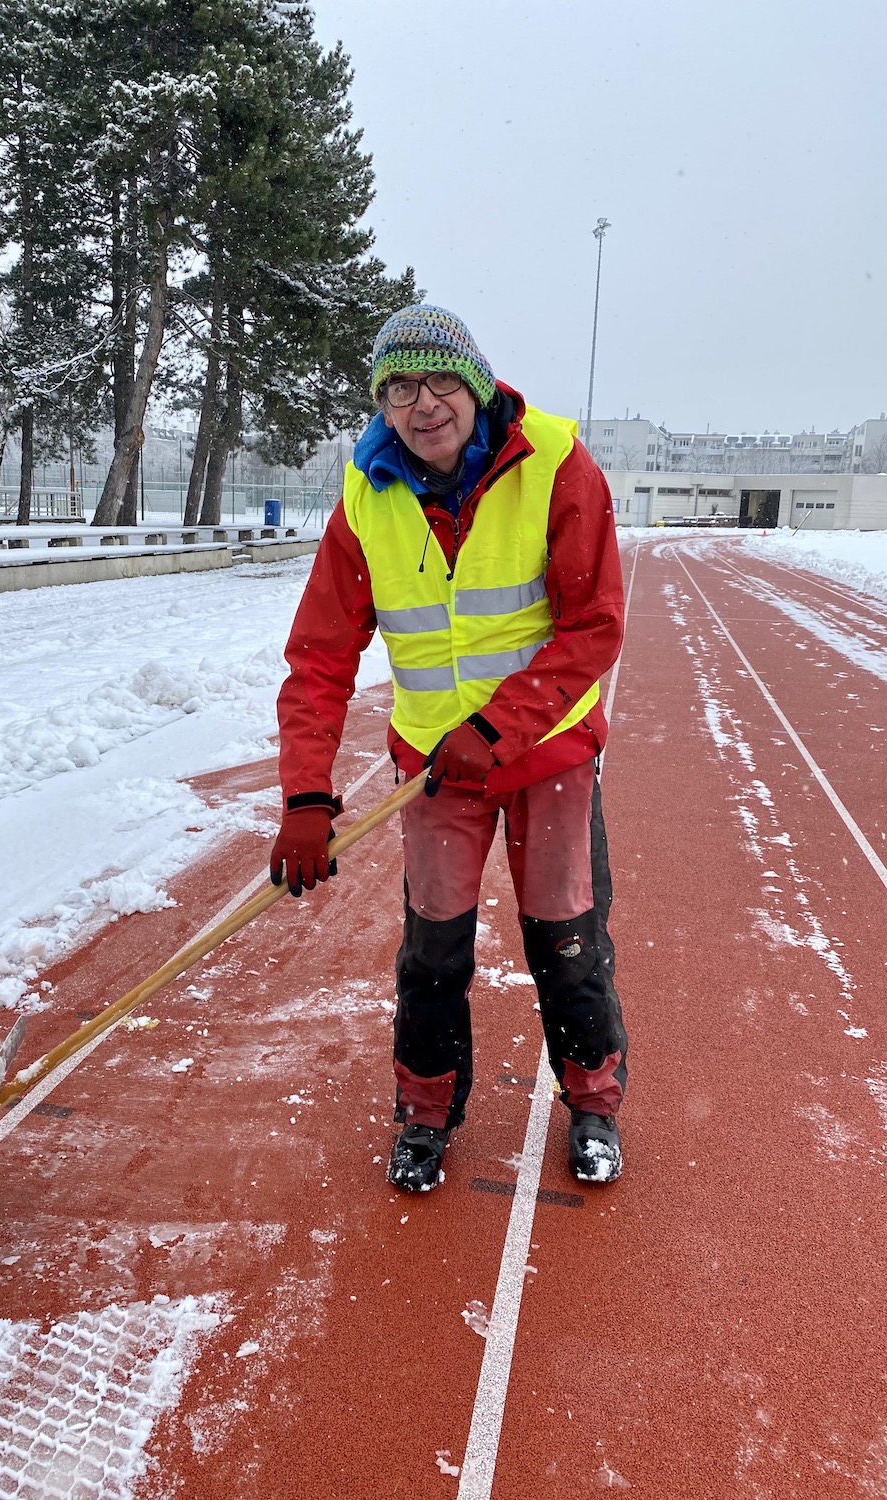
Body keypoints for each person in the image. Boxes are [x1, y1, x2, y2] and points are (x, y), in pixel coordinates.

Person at [270, 304, 628, 1193]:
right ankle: (425, 1114)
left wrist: (498, 729)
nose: (420, 404)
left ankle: (592, 1102)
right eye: (397, 388)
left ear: (471, 384)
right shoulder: (365, 496)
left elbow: (592, 625)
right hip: (435, 772)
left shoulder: (555, 465)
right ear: (381, 403)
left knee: (567, 939)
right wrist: (304, 797)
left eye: (437, 381)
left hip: (546, 757)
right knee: (433, 950)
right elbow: (319, 657)